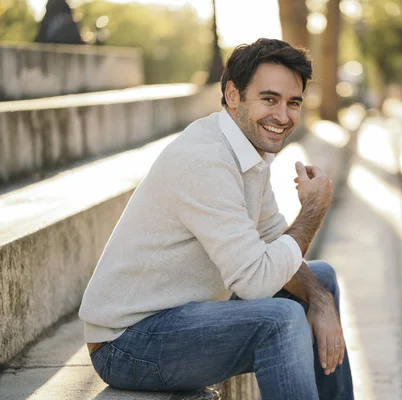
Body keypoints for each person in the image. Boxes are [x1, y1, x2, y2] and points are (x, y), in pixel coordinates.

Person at [79, 38, 354, 400]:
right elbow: (255, 282)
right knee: (281, 322)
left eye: (293, 103)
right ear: (233, 94)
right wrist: (313, 209)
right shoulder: (205, 160)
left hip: (186, 313)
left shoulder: (246, 149)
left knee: (320, 280)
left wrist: (321, 302)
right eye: (269, 99)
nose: (283, 116)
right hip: (128, 342)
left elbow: (272, 236)